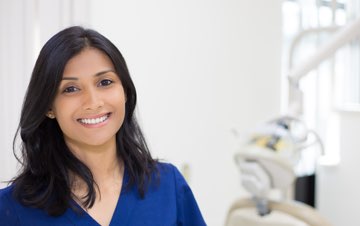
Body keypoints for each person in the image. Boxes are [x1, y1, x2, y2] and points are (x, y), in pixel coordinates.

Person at [0, 26, 206, 226]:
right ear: (49, 107)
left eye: (105, 82)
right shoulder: (11, 208)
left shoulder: (168, 186)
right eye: (71, 89)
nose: (93, 102)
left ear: (125, 91)